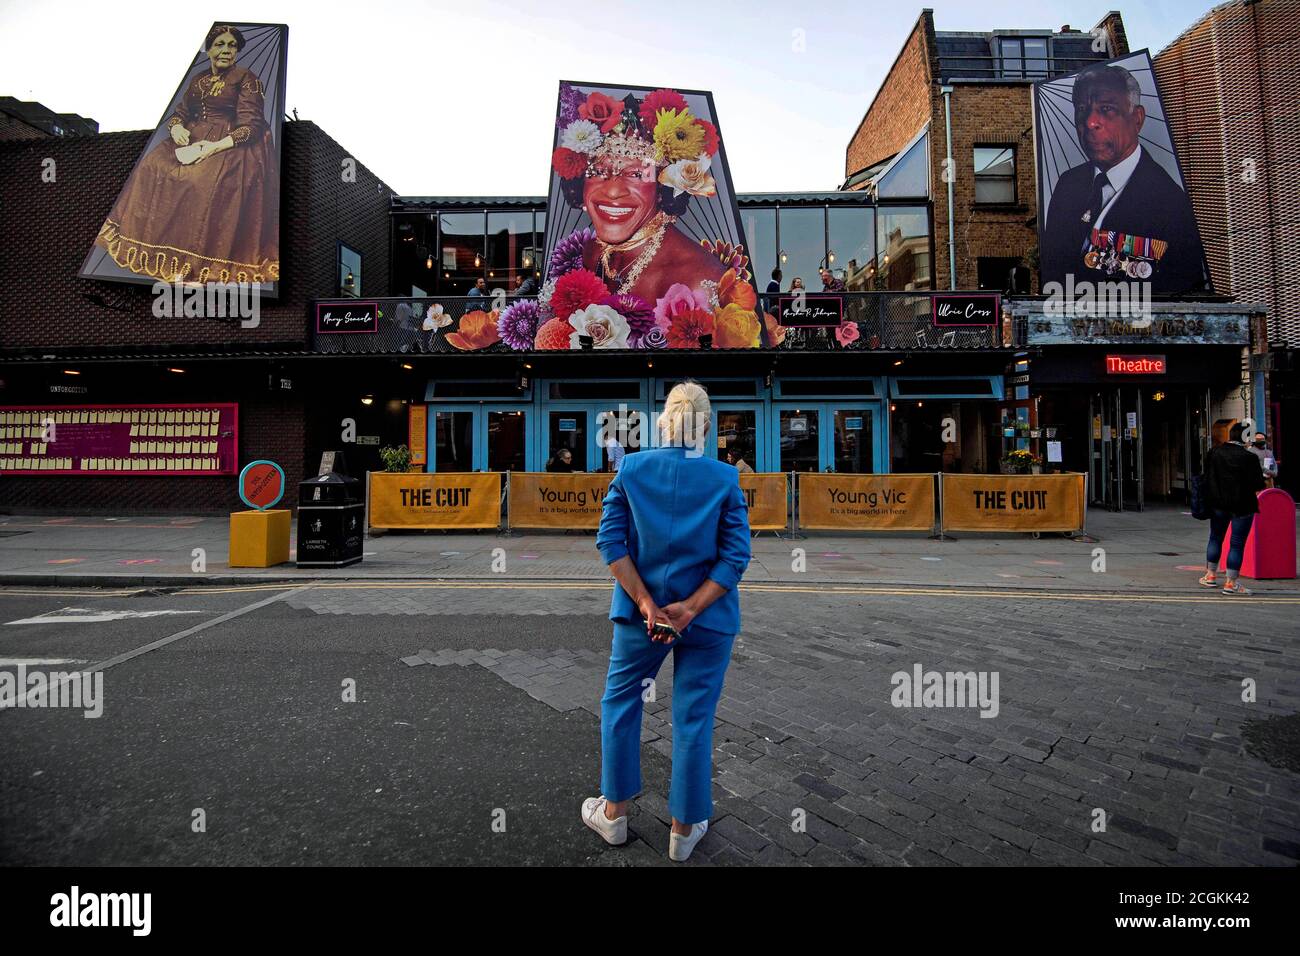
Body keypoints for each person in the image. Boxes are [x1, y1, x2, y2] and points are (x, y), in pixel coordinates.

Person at [584, 382, 751, 862]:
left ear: (663, 421)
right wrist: (692, 607)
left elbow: (610, 543)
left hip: (643, 619)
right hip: (708, 617)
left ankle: (613, 815)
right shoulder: (723, 479)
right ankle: (683, 829)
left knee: (621, 705)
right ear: (705, 424)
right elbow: (736, 556)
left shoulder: (632, 469)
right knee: (693, 717)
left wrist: (645, 603)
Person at [91, 24, 280, 284]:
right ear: (209, 49)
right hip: (193, 136)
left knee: (200, 182)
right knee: (151, 166)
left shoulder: (247, 78)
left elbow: (252, 125)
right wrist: (177, 127)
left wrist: (213, 146)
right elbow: (181, 112)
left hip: (230, 142)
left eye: (232, 45)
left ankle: (193, 264)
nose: (226, 50)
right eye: (220, 44)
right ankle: (157, 250)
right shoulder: (198, 79)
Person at [1040, 63, 1207, 296]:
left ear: (1137, 118)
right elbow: (1053, 273)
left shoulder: (1169, 202)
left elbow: (1184, 291)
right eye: (1082, 109)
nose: (1090, 122)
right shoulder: (1068, 185)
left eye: (1106, 109)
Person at [1200, 422, 1267, 595]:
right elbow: (1258, 484)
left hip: (1218, 504)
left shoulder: (1214, 452)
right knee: (1236, 544)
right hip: (1243, 506)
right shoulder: (1249, 457)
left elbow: (1206, 476)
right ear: (1246, 437)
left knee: (1215, 537)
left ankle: (1210, 575)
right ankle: (1231, 583)